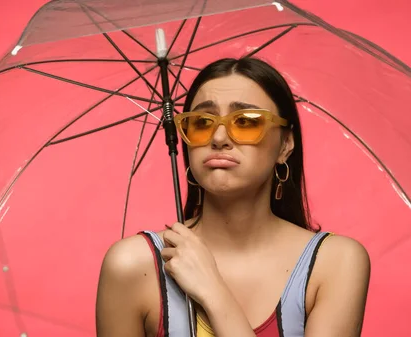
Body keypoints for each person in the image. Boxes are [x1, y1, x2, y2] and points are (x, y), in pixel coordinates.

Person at [95, 57, 371, 337]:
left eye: (246, 121)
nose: (218, 137)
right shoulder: (133, 266)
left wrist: (213, 291)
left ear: (285, 145)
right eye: (202, 121)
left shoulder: (335, 263)